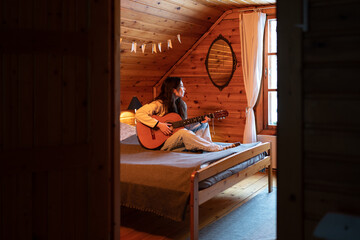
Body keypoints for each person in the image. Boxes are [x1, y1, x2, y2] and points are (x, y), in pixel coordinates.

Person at [135, 76, 239, 152]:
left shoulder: (182, 105)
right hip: (160, 143)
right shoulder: (159, 104)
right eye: (182, 86)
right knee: (183, 133)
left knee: (203, 125)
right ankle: (215, 148)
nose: (184, 89)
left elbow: (183, 126)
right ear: (174, 90)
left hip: (174, 135)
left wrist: (199, 122)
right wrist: (159, 125)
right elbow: (139, 113)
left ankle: (205, 148)